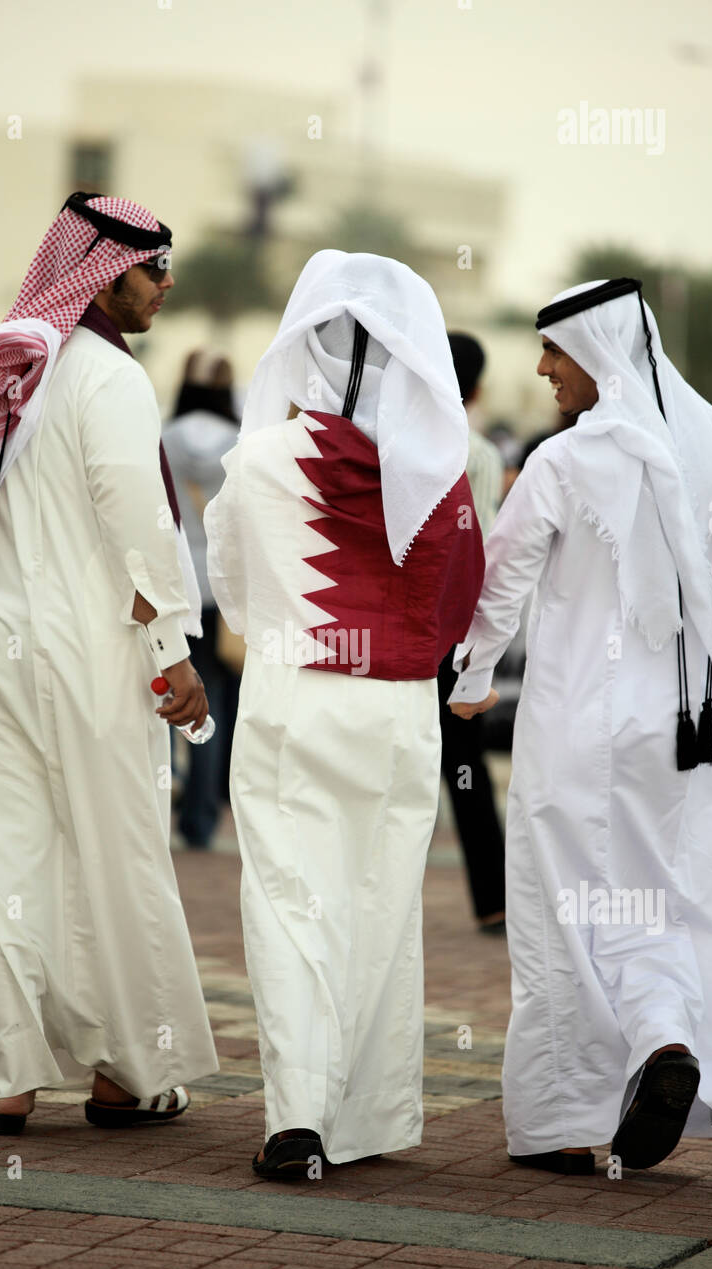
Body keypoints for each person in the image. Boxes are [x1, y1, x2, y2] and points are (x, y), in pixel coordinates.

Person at [0, 192, 218, 1133]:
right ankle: (124, 1077)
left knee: (3, 861)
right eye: (154, 271)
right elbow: (140, 533)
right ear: (105, 276)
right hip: (86, 658)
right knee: (116, 854)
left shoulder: (4, 369)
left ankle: (9, 1086)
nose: (165, 287)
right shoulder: (106, 380)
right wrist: (173, 653)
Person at [450, 278, 712, 1173]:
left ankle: (557, 1120)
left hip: (578, 721)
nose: (543, 369)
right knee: (652, 893)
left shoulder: (566, 461)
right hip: (683, 729)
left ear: (602, 350)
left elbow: (501, 578)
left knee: (561, 910)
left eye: (556, 351)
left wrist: (469, 674)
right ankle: (662, 1042)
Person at [205, 250, 484, 1177]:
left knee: (291, 906)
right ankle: (361, 1122)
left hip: (293, 702)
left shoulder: (255, 463)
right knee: (379, 908)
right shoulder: (443, 483)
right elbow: (459, 610)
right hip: (403, 712)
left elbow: (234, 601)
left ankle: (298, 1119)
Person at [438, 333, 506, 932]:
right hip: (455, 639)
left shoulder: (392, 443)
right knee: (467, 768)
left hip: (395, 634)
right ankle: (494, 901)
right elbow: (478, 551)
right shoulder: (479, 453)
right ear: (477, 389)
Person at [161, 351, 241, 848]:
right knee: (214, 700)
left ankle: (161, 798)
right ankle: (202, 818)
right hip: (222, 585)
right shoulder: (240, 443)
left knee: (167, 693)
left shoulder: (163, 437)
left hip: (170, 584)